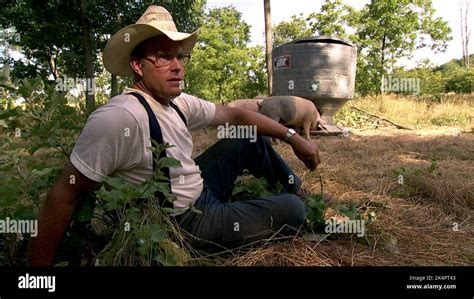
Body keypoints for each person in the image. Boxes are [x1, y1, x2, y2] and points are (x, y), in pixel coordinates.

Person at [27, 5, 330, 266]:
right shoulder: (119, 118)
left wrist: (293, 136)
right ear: (137, 65)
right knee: (294, 211)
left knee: (246, 137)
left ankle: (297, 187)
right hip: (185, 222)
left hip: (199, 187)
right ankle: (295, 204)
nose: (177, 67)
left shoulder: (178, 102)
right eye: (162, 56)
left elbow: (236, 114)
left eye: (180, 56)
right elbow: (64, 195)